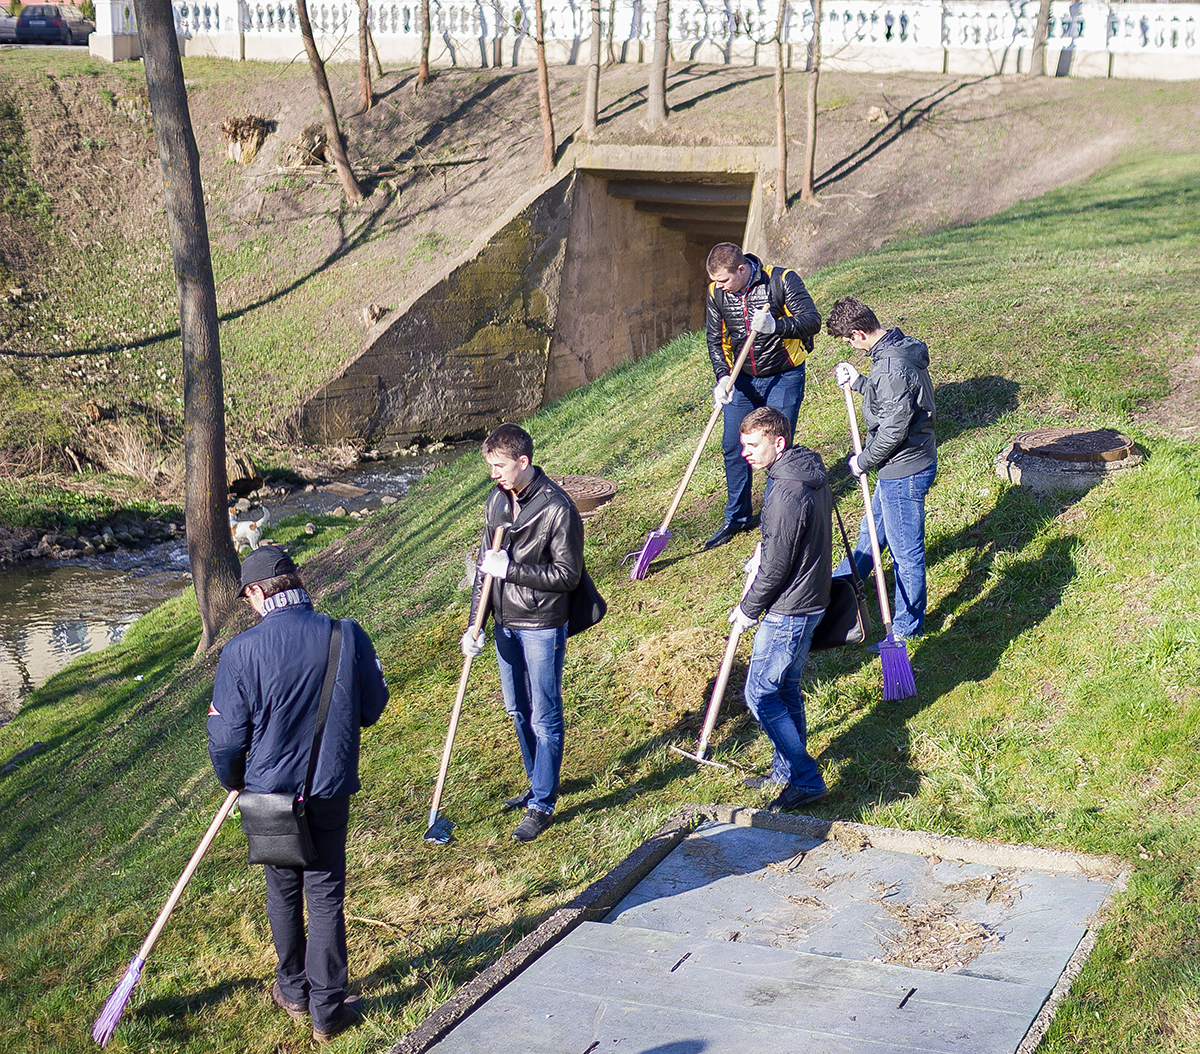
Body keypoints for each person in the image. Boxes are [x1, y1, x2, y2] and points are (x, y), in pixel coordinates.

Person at [207, 546, 389, 1044]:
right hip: (328, 787)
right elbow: (372, 707)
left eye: (247, 597)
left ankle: (292, 992)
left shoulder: (241, 652)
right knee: (325, 892)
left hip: (268, 795)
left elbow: (225, 739)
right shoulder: (346, 634)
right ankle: (327, 1011)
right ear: (295, 582)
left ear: (257, 592)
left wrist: (233, 779)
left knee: (283, 891)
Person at [463, 423, 584, 843]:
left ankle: (543, 803)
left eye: (499, 466)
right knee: (517, 709)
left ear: (523, 462)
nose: (493, 474)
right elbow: (485, 567)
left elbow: (567, 576)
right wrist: (473, 625)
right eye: (490, 466)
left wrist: (510, 570)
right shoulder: (497, 502)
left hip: (541, 624)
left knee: (544, 713)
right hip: (503, 624)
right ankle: (539, 782)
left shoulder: (557, 509)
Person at [729, 407, 832, 812]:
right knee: (786, 688)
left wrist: (748, 608)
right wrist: (766, 547)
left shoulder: (786, 491)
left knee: (760, 694)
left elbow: (775, 569)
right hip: (810, 599)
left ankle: (805, 779)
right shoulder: (805, 472)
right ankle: (785, 769)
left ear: (778, 442)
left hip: (788, 608)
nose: (745, 454)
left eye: (753, 445)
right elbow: (788, 542)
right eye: (743, 445)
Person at [827, 296, 937, 641]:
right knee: (870, 534)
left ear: (858, 333)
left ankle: (905, 629)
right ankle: (833, 596)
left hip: (903, 471)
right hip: (899, 467)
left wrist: (863, 460)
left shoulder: (890, 367)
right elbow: (892, 399)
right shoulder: (896, 350)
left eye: (848, 340)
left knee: (907, 554)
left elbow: (893, 428)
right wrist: (860, 381)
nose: (849, 345)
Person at [704, 242, 822, 549]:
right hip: (742, 379)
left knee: (775, 449)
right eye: (716, 281)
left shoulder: (781, 280)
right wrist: (722, 376)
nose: (720, 286)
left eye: (725, 280)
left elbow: (812, 321)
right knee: (733, 446)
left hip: (784, 374)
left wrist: (776, 326)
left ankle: (775, 517)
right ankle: (738, 518)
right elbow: (715, 341)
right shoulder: (717, 294)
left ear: (741, 270)